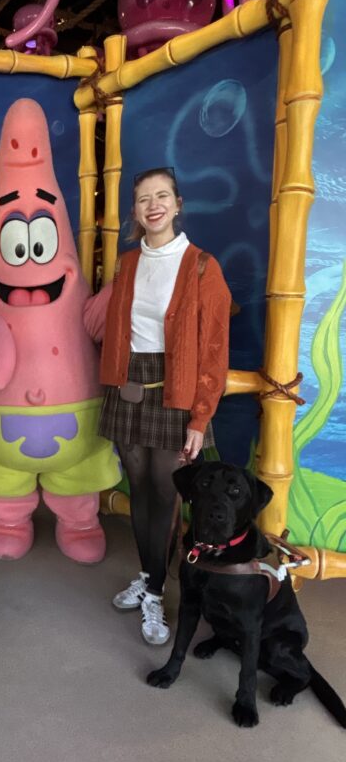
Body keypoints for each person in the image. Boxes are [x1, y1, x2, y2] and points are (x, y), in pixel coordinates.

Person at [99, 167, 232, 646]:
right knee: (138, 488)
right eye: (142, 199)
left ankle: (155, 591)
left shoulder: (201, 265)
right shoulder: (128, 262)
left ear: (177, 204)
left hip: (174, 391)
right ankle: (148, 576)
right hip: (128, 387)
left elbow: (214, 349)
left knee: (164, 491)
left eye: (161, 196)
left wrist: (200, 417)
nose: (152, 205)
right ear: (134, 211)